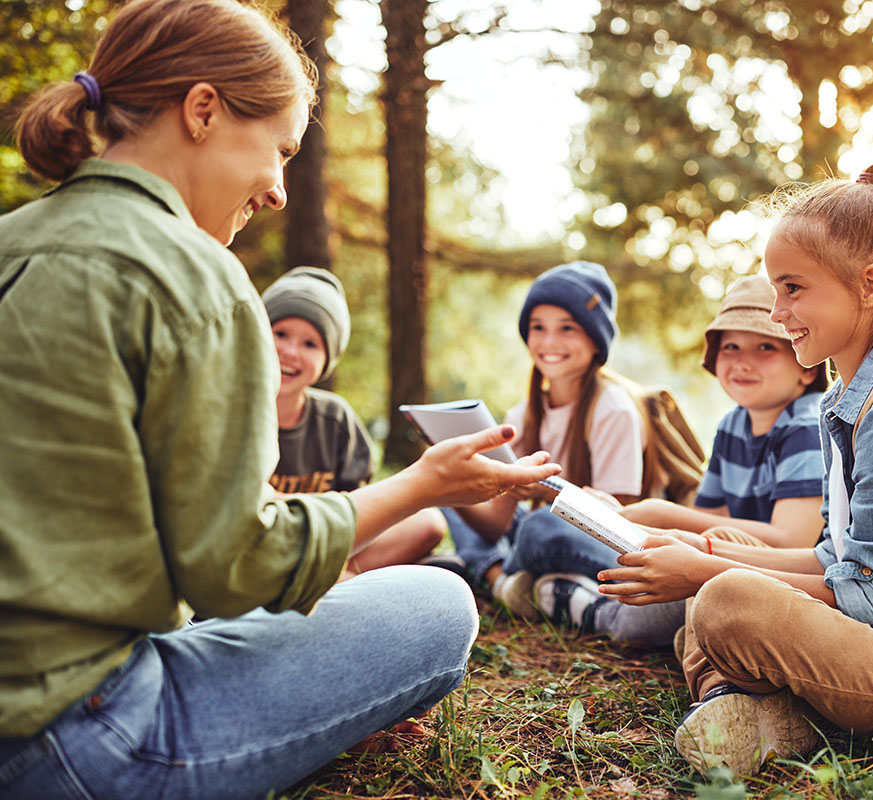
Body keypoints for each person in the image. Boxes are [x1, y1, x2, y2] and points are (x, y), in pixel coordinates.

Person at [0, 3, 560, 799]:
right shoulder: (191, 274)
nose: (280, 191)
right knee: (437, 604)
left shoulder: (10, 241)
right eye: (281, 150)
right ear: (202, 110)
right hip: (84, 740)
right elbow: (237, 565)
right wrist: (426, 485)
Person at [595, 165, 873, 774]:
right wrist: (699, 550)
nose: (776, 312)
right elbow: (831, 557)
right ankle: (762, 713)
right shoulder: (848, 403)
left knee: (721, 600)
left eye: (792, 288)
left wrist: (704, 571)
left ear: (870, 286)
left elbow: (867, 594)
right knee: (716, 573)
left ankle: (757, 706)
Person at [530, 274, 828, 644]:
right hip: (725, 558)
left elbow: (790, 541)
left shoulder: (806, 424)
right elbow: (716, 516)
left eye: (765, 348)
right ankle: (569, 587)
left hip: (776, 579)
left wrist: (662, 514)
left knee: (644, 617)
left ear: (807, 367)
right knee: (547, 524)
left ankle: (588, 607)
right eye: (731, 346)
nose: (742, 362)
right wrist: (632, 516)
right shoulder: (733, 424)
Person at [444, 260, 647, 615]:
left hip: (590, 542)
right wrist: (451, 481)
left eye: (567, 328)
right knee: (450, 499)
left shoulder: (613, 410)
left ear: (594, 340)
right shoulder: (522, 415)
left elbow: (619, 521)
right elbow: (495, 524)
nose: (550, 342)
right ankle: (502, 579)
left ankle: (492, 573)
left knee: (540, 527)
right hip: (527, 538)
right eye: (538, 328)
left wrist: (547, 490)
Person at [263, 266, 447, 576]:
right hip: (263, 549)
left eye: (310, 344)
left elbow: (362, 510)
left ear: (327, 361)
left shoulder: (335, 420)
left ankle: (338, 578)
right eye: (280, 334)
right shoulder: (233, 410)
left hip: (330, 545)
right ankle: (346, 581)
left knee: (428, 523)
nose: (290, 352)